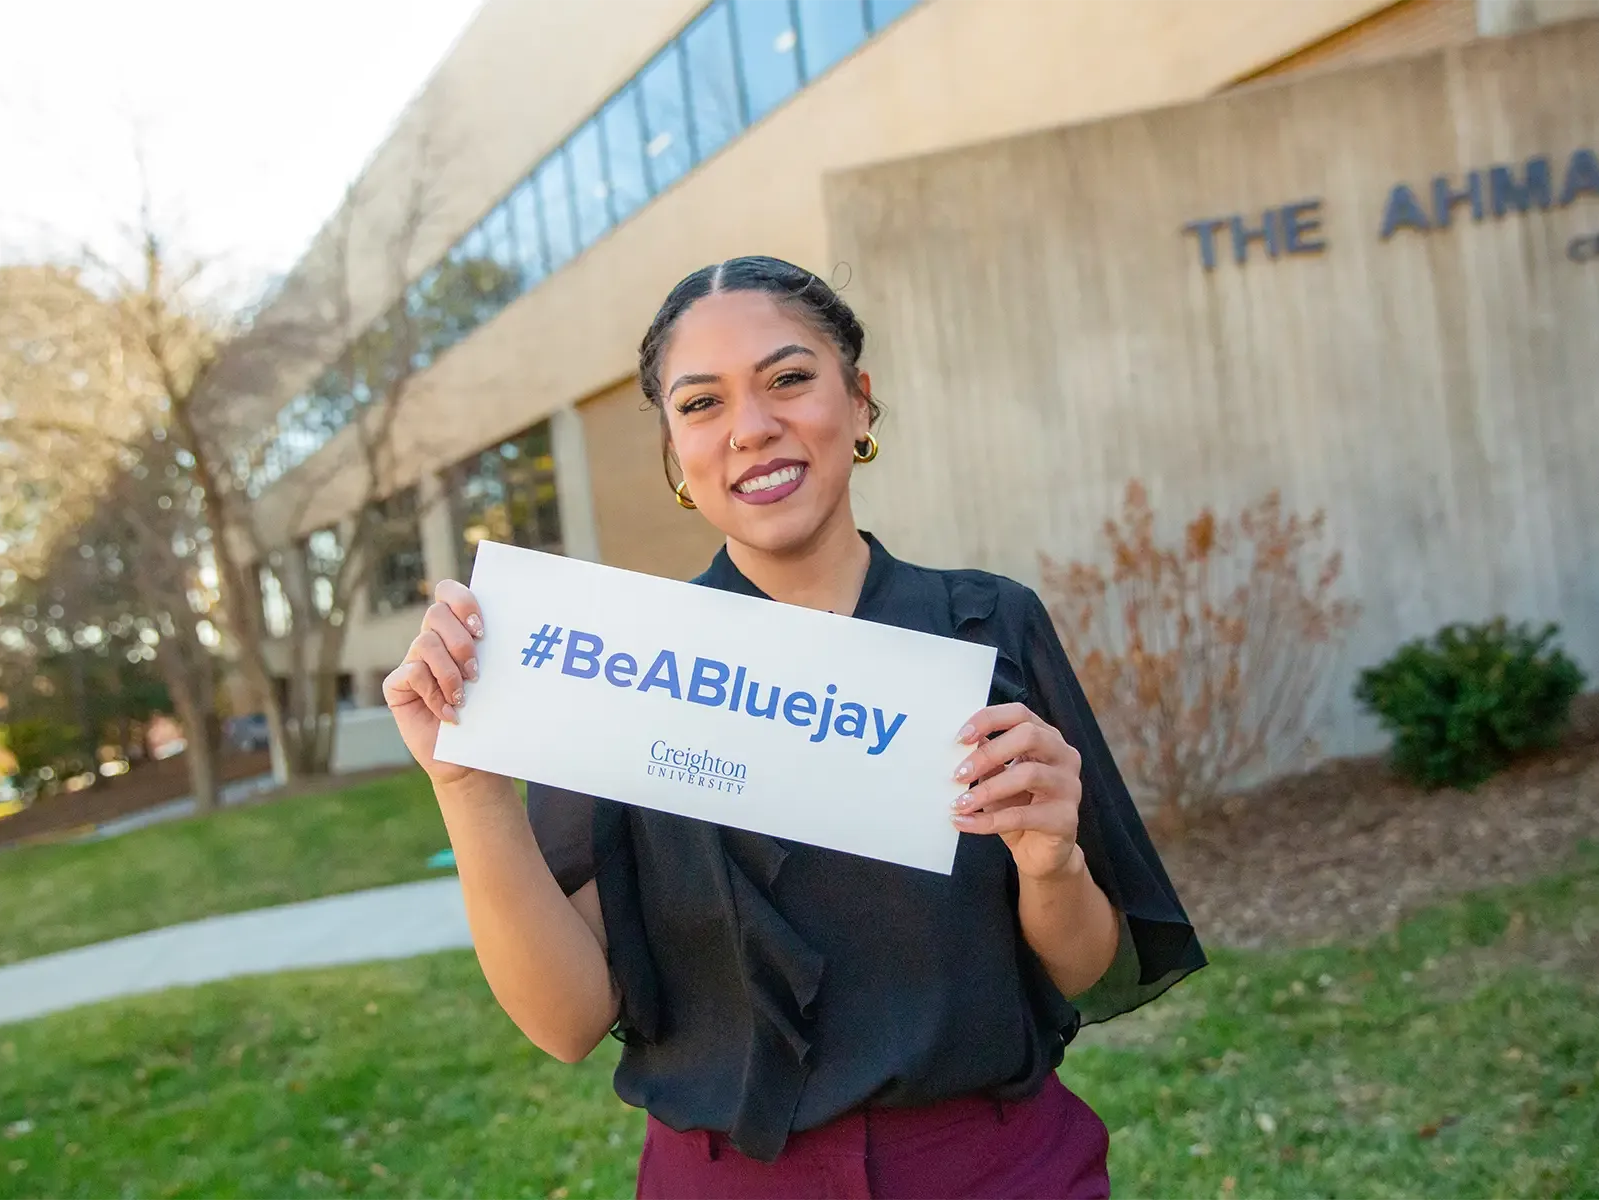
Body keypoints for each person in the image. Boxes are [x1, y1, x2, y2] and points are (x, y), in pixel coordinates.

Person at [383, 256, 1205, 1198]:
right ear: (674, 456)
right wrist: (466, 782)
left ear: (858, 402)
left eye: (788, 379)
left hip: (998, 1167)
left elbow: (1085, 965)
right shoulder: (615, 669)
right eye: (701, 404)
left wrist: (1051, 860)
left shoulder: (986, 632)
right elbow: (565, 1022)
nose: (752, 427)